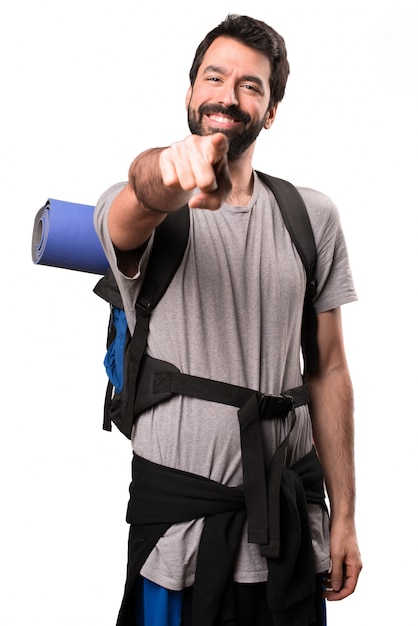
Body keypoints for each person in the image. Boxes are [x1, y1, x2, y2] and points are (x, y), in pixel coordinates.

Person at [94, 13, 362, 626]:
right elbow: (136, 200)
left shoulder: (310, 216)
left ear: (269, 112)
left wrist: (345, 513)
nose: (228, 95)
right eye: (214, 77)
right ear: (191, 93)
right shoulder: (146, 207)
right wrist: (169, 168)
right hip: (180, 540)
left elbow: (329, 367)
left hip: (291, 532)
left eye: (251, 86)